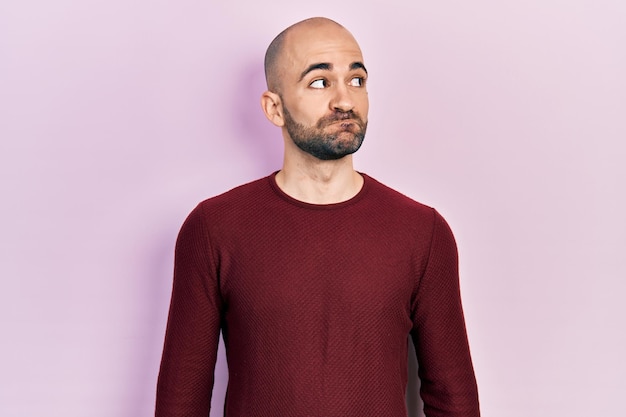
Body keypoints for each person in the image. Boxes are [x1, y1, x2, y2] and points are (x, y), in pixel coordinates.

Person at [155, 17, 480, 417]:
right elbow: (180, 403)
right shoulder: (213, 229)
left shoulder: (423, 232)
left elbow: (454, 400)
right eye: (320, 82)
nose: (345, 100)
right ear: (274, 108)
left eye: (357, 80)